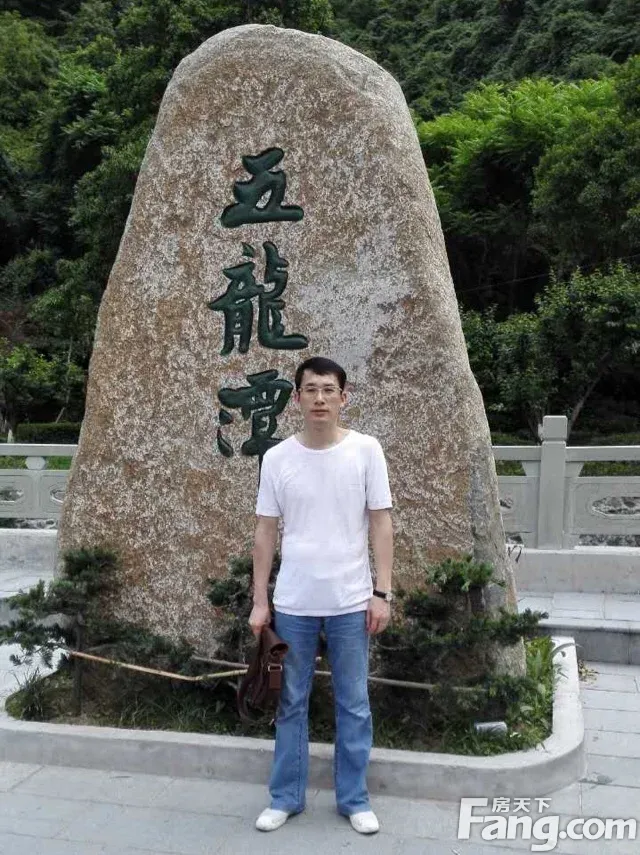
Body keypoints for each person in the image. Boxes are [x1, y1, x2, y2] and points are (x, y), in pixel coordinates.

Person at [249, 355, 394, 835]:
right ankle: (285, 797)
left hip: (352, 601)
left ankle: (354, 799)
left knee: (353, 702)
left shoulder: (366, 450)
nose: (319, 399)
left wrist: (382, 592)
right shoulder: (277, 458)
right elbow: (265, 532)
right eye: (310, 390)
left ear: (343, 397)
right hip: (294, 603)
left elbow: (381, 523)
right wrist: (260, 600)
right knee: (291, 701)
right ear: (296, 398)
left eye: (328, 390)